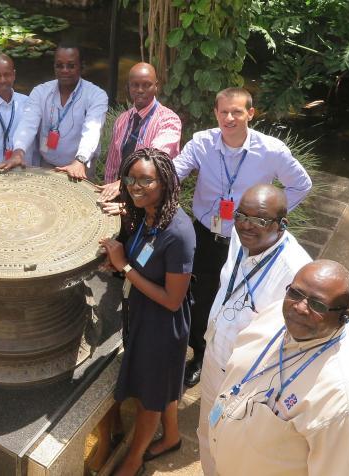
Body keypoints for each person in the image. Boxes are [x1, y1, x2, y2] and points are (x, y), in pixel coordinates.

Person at [173, 87, 312, 387]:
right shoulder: (202, 143)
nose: (229, 118)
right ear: (216, 114)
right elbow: (175, 172)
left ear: (251, 113)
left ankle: (236, 359)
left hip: (246, 240)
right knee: (199, 296)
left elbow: (301, 185)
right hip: (206, 234)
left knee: (239, 299)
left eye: (236, 111)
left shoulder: (271, 151)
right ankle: (200, 354)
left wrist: (268, 222)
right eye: (223, 112)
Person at [209, 260, 349, 476]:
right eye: (295, 293)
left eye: (317, 305)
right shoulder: (278, 314)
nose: (300, 307)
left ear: (343, 317)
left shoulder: (345, 404)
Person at [196, 184, 312, 475]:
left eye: (260, 220)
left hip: (248, 380)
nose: (246, 225)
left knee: (238, 452)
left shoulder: (297, 271)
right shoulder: (239, 235)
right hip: (215, 357)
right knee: (208, 432)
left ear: (282, 224)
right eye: (241, 215)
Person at [99, 148, 195, 476]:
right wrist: (116, 259)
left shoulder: (179, 233)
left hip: (162, 326)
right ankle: (170, 437)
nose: (135, 186)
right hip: (140, 311)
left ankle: (133, 459)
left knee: (149, 397)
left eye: (146, 180)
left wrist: (124, 266)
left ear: (165, 182)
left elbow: (172, 299)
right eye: (131, 178)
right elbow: (139, 259)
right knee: (163, 385)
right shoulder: (146, 214)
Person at [0, 44, 109, 180]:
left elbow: (92, 130)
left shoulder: (96, 95)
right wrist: (18, 151)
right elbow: (28, 124)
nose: (64, 70)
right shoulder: (40, 92)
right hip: (46, 165)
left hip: (78, 167)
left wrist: (80, 161)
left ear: (82, 66)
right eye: (59, 65)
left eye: (71, 66)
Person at [97, 63, 182, 202]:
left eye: (146, 85)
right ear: (128, 88)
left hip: (151, 200)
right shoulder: (122, 120)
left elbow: (154, 158)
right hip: (120, 195)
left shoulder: (168, 120)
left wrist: (123, 184)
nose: (140, 90)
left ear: (156, 86)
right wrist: (108, 190)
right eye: (135, 85)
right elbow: (113, 164)